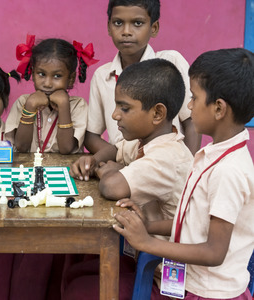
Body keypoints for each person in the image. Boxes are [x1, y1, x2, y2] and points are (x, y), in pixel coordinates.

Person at [114, 48, 254, 299]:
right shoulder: (212, 154)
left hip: (206, 293)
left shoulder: (228, 171)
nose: (188, 106)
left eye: (194, 98)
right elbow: (194, 224)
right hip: (188, 284)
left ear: (219, 109)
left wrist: (147, 242)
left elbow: (214, 251)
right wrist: (149, 225)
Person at [64, 58, 194, 299]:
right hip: (144, 258)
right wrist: (93, 160)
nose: (114, 115)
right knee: (74, 274)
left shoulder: (167, 157)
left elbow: (111, 187)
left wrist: (107, 171)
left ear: (157, 113)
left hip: (164, 277)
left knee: (78, 291)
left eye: (124, 108)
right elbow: (116, 150)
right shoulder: (148, 140)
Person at [84, 0, 201, 155]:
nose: (126, 31)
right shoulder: (102, 75)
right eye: (118, 23)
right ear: (108, 27)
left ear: (154, 28)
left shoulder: (170, 63)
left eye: (137, 23)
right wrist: (121, 158)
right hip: (123, 170)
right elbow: (91, 136)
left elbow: (191, 122)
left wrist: (185, 170)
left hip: (166, 168)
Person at [5, 35, 98, 154]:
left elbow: (66, 149)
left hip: (66, 170)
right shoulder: (23, 102)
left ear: (70, 79)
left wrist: (64, 106)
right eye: (41, 74)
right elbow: (22, 147)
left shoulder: (78, 106)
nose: (48, 84)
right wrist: (29, 108)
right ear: (33, 74)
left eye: (57, 76)